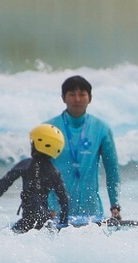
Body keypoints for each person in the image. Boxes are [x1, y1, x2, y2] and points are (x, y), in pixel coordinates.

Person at [45, 75, 122, 226]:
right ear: (63, 97)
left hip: (92, 212)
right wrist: (49, 206)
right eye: (72, 94)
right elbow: (41, 174)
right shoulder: (49, 129)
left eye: (82, 94)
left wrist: (115, 205)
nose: (77, 99)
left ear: (90, 98)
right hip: (56, 213)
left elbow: (112, 170)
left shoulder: (101, 129)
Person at [0, 124, 70, 233]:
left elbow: (5, 182)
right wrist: (62, 224)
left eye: (32, 142)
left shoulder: (26, 164)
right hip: (45, 220)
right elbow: (64, 199)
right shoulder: (54, 171)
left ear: (37, 144)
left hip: (28, 221)